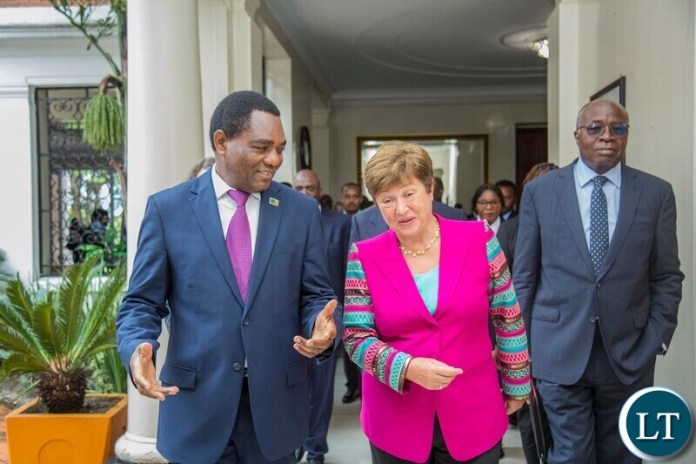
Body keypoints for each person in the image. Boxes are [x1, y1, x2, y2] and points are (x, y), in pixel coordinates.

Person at [116, 90, 342, 464]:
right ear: (222, 142)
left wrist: (322, 326)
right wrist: (138, 346)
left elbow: (316, 296)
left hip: (275, 413)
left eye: (280, 148)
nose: (275, 160)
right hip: (196, 410)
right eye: (262, 147)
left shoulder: (300, 212)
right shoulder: (167, 209)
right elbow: (141, 302)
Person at [514, 99, 683, 464]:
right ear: (577, 136)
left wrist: (655, 339)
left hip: (629, 355)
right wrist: (521, 351)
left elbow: (667, 276)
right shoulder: (541, 193)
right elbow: (524, 279)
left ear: (626, 135)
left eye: (617, 128)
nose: (607, 136)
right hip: (557, 352)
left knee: (624, 455)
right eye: (595, 128)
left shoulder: (656, 194)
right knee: (571, 456)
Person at [343, 141, 530, 463]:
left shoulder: (480, 238)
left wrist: (517, 381)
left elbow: (507, 316)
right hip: (395, 416)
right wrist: (407, 367)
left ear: (430, 189)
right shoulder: (365, 255)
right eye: (387, 200)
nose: (400, 209)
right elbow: (356, 337)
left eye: (409, 193)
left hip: (473, 408)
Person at [496, 162, 558, 464]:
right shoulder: (511, 228)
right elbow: (501, 288)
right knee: (531, 420)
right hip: (525, 336)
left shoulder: (574, 225)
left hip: (565, 338)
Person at [292, 169, 351, 464]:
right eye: (298, 187)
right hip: (287, 322)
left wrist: (342, 318)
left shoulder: (340, 224)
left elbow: (347, 273)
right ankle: (293, 442)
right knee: (292, 389)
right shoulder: (280, 221)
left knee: (321, 389)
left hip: (326, 318)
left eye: (309, 188)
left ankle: (316, 448)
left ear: (319, 189)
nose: (304, 193)